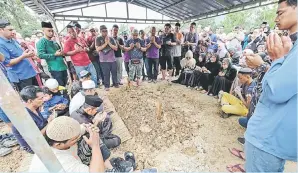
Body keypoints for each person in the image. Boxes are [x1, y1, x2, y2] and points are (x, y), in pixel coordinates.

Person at [245, 0, 297, 172]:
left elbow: (276, 90)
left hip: (268, 136)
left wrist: (276, 59)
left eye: (280, 13)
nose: (275, 19)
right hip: (275, 135)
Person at [29, 116, 105, 172]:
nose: (78, 138)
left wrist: (89, 128)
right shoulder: (61, 162)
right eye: (75, 139)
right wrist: (95, 145)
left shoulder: (53, 138)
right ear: (58, 144)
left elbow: (78, 131)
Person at [12, 86, 54, 153]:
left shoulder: (35, 107)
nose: (43, 100)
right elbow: (36, 138)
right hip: (34, 146)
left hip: (40, 134)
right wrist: (49, 124)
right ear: (30, 101)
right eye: (41, 98)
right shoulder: (24, 117)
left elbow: (42, 123)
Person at [0, 19, 37, 91]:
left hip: (29, 72)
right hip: (21, 77)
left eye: (13, 29)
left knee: (38, 95)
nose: (13, 32)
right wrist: (23, 56)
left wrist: (29, 54)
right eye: (10, 30)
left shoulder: (12, 40)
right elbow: (7, 63)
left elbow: (20, 53)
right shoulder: (1, 44)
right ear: (1, 30)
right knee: (30, 99)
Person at [36, 21, 68, 86]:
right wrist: (54, 54)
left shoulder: (54, 42)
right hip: (54, 68)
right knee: (59, 86)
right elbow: (41, 55)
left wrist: (62, 53)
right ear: (43, 31)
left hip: (62, 66)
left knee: (64, 85)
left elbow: (60, 52)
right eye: (49, 31)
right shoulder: (41, 42)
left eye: (52, 31)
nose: (51, 33)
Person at [95, 25, 119, 91]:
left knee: (114, 72)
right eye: (103, 31)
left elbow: (116, 48)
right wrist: (105, 44)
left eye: (106, 31)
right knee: (106, 74)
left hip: (112, 59)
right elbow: (97, 49)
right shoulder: (98, 38)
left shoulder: (111, 38)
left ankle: (115, 83)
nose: (105, 32)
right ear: (100, 31)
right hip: (104, 60)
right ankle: (107, 86)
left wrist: (109, 43)